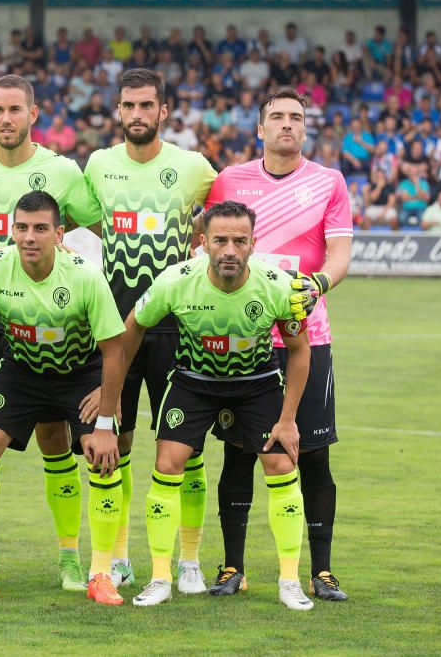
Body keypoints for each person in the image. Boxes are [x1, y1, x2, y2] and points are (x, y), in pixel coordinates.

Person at [0, 74, 100, 593]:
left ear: (34, 114)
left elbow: (96, 227)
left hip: (49, 324)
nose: (5, 119)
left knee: (57, 439)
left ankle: (70, 557)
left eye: (15, 109)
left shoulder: (61, 170)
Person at [122, 200, 314, 611]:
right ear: (203, 242)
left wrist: (288, 419)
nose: (230, 249)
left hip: (257, 383)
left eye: (239, 241)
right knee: (167, 463)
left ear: (253, 244)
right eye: (221, 240)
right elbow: (132, 328)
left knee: (281, 465)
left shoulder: (278, 285)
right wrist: (112, 392)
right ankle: (160, 577)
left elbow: (299, 350)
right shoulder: (176, 280)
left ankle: (289, 581)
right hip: (194, 382)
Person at [205, 88, 353, 602]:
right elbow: (207, 247)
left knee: (311, 453)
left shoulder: (329, 182)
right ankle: (232, 567)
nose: (287, 124)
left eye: (296, 117)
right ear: (260, 127)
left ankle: (323, 571)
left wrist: (318, 285)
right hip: (241, 339)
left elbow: (339, 254)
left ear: (305, 128)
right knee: (240, 454)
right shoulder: (229, 180)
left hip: (306, 339)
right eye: (277, 117)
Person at [0, 191, 125, 605]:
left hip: (80, 374)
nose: (30, 237)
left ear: (59, 233)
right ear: (13, 231)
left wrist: (105, 422)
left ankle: (97, 572)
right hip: (21, 373)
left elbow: (115, 350)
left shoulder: (84, 275)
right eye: (22, 228)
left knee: (100, 455)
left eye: (41, 228)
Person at [81, 68, 216, 592]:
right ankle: (117, 558)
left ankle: (188, 559)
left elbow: (227, 211)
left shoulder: (192, 166)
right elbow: (90, 217)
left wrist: (197, 240)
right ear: (118, 111)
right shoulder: (99, 164)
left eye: (146, 106)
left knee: (185, 443)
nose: (136, 114)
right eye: (128, 106)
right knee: (115, 436)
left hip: (178, 323)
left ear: (163, 111)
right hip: (115, 321)